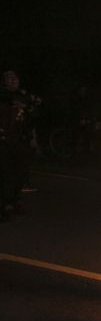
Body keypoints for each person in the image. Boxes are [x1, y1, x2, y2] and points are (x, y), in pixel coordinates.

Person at [0, 70, 39, 220]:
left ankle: (15, 200)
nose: (13, 81)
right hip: (3, 140)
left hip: (20, 140)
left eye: (15, 78)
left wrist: (33, 138)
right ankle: (5, 205)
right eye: (9, 79)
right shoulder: (3, 96)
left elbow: (31, 119)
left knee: (21, 173)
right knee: (5, 174)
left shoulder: (23, 97)